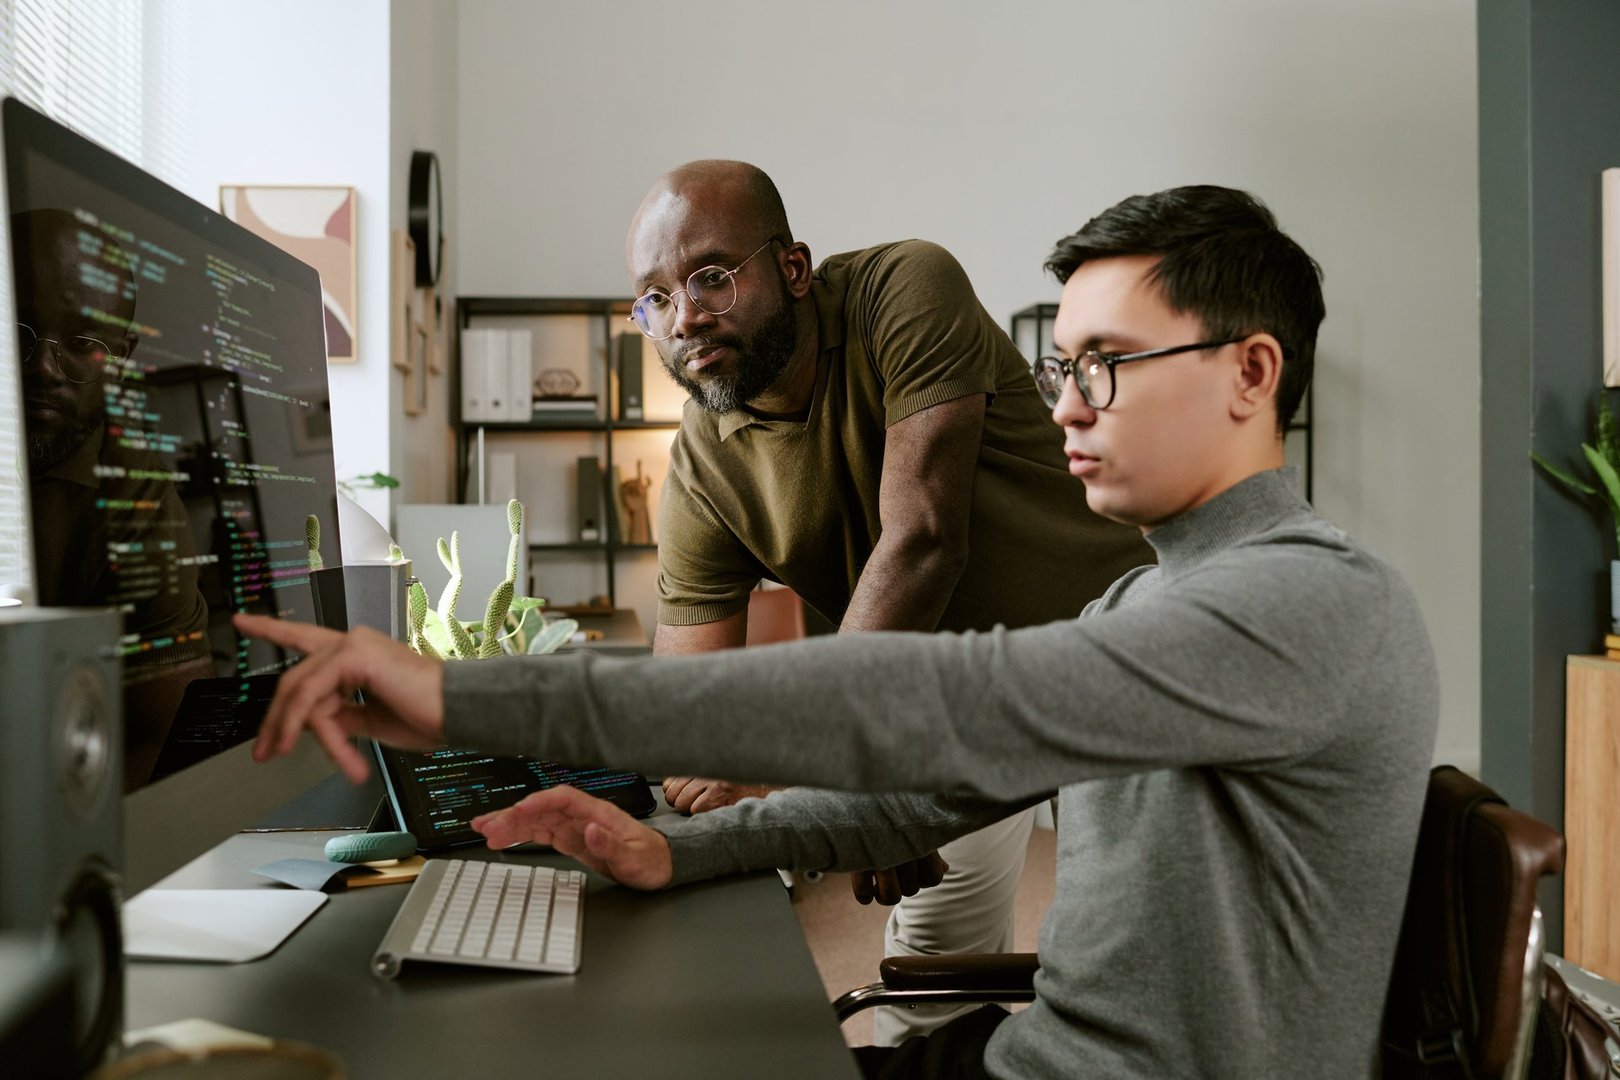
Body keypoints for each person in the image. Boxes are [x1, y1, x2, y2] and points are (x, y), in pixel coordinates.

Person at [241, 184, 1439, 1078]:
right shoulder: (1149, 596)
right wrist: (680, 847)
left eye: (1109, 365)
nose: (1066, 404)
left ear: (1253, 372)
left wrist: (466, 695)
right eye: (1061, 364)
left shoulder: (1308, 602)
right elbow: (928, 797)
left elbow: (926, 702)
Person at [624, 160, 1150, 1040]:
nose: (685, 315)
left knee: (1133, 970)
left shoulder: (905, 287)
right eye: (655, 297)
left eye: (712, 274)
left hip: (1109, 656)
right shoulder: (703, 466)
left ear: (793, 268)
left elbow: (923, 539)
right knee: (929, 988)